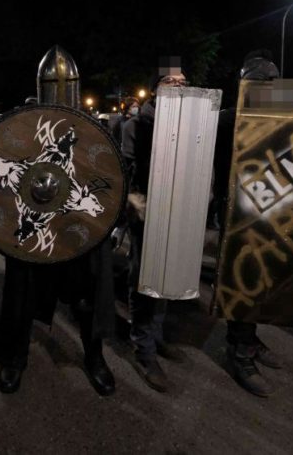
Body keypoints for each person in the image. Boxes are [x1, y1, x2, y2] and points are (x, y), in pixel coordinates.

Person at [0, 46, 116, 396]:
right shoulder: (24, 127)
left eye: (65, 83)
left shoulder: (93, 128)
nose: (60, 90)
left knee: (87, 298)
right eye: (52, 83)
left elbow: (109, 178)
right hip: (36, 226)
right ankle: (15, 357)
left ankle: (95, 357)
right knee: (23, 296)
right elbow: (3, 174)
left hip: (79, 229)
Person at [214, 50, 284, 397]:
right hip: (235, 212)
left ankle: (250, 339)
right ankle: (239, 350)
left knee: (261, 278)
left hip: (270, 208)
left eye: (272, 85)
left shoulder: (283, 118)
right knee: (243, 279)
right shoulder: (227, 118)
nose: (266, 91)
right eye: (259, 85)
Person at [121, 70, 189, 393]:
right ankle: (144, 350)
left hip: (175, 212)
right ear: (156, 89)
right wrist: (132, 201)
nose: (179, 86)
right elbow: (123, 167)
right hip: (146, 212)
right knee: (143, 279)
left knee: (164, 277)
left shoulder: (187, 123)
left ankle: (155, 336)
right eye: (171, 82)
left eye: (183, 83)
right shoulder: (138, 124)